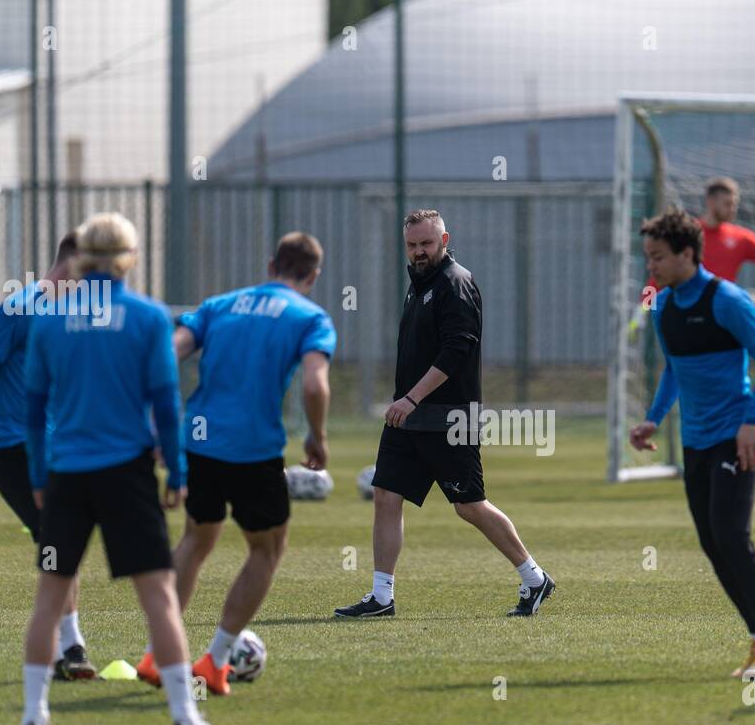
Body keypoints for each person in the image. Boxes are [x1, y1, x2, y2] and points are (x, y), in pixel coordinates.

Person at [18, 211, 228, 725]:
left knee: (49, 597)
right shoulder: (146, 317)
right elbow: (164, 402)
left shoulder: (49, 317)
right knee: (158, 596)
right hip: (127, 474)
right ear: (130, 257)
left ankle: (33, 718)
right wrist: (177, 472)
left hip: (66, 474)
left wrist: (39, 476)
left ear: (82, 256)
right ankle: (185, 718)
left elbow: (34, 407)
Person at [134, 232, 335, 696]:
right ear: (313, 275)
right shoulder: (310, 317)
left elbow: (168, 353)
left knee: (196, 538)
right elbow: (314, 386)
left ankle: (155, 654)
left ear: (270, 265)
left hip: (199, 441)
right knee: (265, 550)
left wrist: (155, 421)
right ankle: (216, 660)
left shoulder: (220, 305)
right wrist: (317, 436)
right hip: (253, 449)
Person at [335, 209, 554, 619]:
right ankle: (382, 597)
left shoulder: (456, 283)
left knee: (469, 505)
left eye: (426, 244)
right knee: (386, 496)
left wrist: (412, 398)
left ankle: (535, 578)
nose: (419, 252)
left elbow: (457, 350)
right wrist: (407, 402)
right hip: (409, 418)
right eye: (412, 245)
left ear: (445, 240)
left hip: (448, 420)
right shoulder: (418, 285)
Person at [628, 208, 755, 679]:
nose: (650, 267)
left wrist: (750, 422)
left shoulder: (727, 300)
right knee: (712, 543)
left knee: (732, 538)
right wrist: (653, 420)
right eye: (647, 257)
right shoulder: (662, 305)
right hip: (696, 443)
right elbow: (675, 368)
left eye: (657, 257)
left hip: (735, 438)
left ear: (686, 253)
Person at [0, 233, 95, 681]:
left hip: (51, 445)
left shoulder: (71, 313)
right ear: (73, 266)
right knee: (58, 537)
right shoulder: (21, 306)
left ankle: (64, 649)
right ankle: (67, 648)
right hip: (11, 445)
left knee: (59, 539)